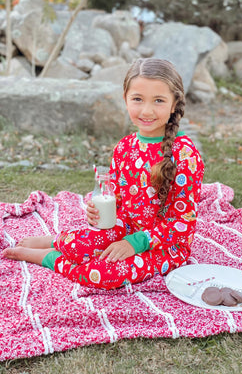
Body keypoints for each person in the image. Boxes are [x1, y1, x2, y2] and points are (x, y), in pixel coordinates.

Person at [3, 58, 205, 290]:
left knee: (101, 274)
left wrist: (135, 244)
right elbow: (117, 201)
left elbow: (182, 224)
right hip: (127, 227)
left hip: (166, 245)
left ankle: (48, 257)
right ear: (125, 99)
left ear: (174, 104)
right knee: (83, 246)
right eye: (137, 99)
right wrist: (99, 211)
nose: (146, 110)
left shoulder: (185, 155)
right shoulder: (124, 147)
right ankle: (56, 242)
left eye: (158, 101)